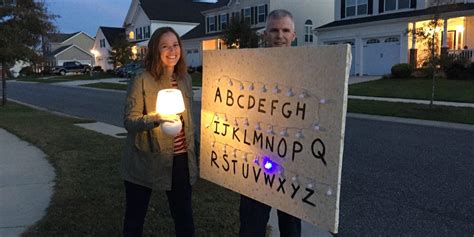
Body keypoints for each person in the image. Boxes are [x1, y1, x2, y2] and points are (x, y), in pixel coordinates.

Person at [121, 27, 197, 237]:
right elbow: (129, 121)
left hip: (180, 159)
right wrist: (157, 117)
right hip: (145, 158)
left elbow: (189, 120)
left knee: (184, 218)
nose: (172, 51)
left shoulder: (185, 79)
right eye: (165, 46)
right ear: (155, 50)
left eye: (175, 45)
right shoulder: (142, 79)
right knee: (135, 219)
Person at [239, 9, 301, 237]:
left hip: (292, 162)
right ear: (265, 34)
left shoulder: (308, 69)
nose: (279, 35)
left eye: (285, 30)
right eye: (274, 30)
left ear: (294, 35)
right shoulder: (249, 68)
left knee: (291, 227)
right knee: (251, 225)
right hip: (256, 159)